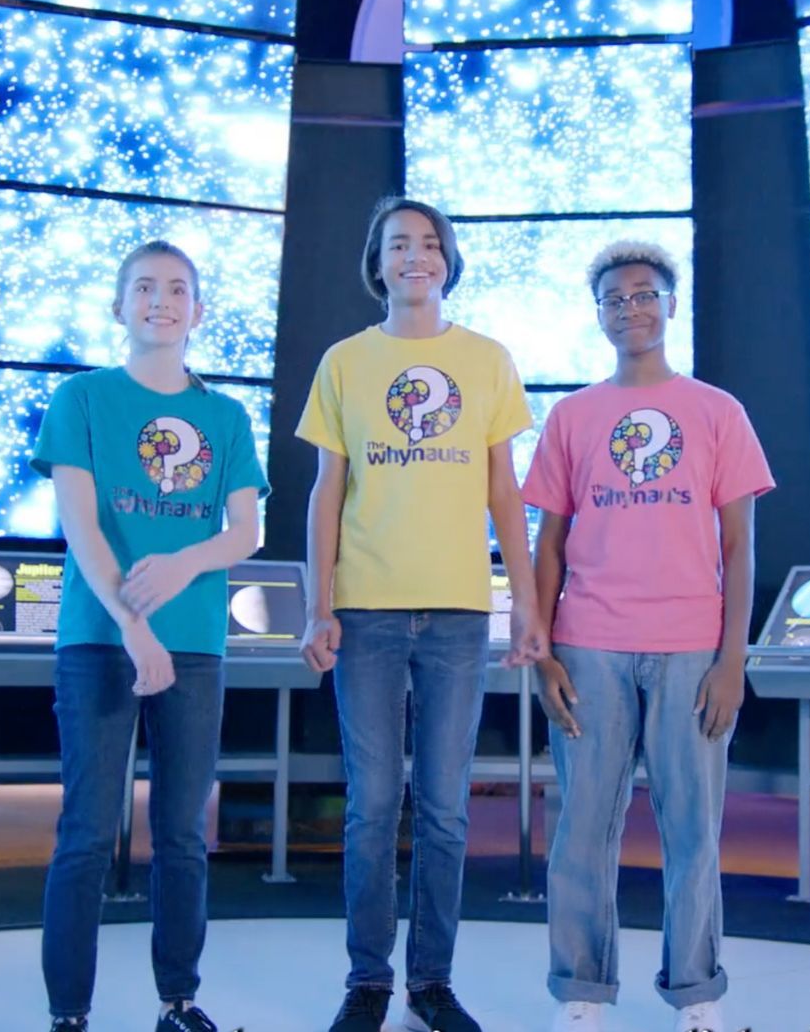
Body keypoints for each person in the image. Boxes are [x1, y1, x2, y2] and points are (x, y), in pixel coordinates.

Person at [297, 196, 544, 1032]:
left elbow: (504, 490)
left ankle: (430, 982)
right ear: (377, 262)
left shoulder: (487, 359)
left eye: (430, 243)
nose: (416, 256)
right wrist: (318, 607)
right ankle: (368, 980)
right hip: (365, 611)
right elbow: (327, 493)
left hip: (458, 616)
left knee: (443, 808)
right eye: (399, 243)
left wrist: (528, 601)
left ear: (448, 260)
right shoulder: (344, 362)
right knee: (371, 806)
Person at [522, 241, 774, 1032]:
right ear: (597, 315)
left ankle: (697, 995)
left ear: (670, 304)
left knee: (693, 833)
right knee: (583, 832)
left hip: (693, 650)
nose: (631, 308)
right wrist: (543, 651)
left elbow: (739, 544)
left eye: (644, 294)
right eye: (614, 299)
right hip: (588, 646)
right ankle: (583, 994)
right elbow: (548, 546)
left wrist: (734, 660)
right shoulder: (571, 415)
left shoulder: (717, 411)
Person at [35, 241, 267, 1032]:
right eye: (144, 288)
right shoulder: (82, 400)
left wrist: (181, 563)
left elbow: (245, 531)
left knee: (181, 835)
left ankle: (179, 1001)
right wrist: (134, 628)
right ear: (119, 305)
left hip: (197, 644)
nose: (160, 300)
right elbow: (83, 528)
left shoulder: (225, 416)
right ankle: (69, 1013)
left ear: (198, 312)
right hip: (100, 643)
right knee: (88, 833)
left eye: (177, 290)